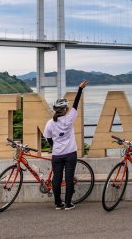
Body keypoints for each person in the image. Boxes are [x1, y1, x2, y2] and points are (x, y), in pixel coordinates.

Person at [43, 80, 88, 210]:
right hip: (70, 154)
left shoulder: (50, 123)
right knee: (69, 178)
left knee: (56, 179)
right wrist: (80, 89)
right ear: (65, 110)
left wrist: (54, 146)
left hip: (57, 154)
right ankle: (68, 203)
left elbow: (48, 137)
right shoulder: (69, 118)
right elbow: (76, 103)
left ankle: (57, 203)